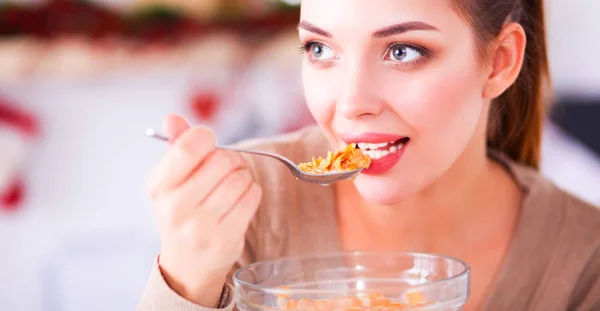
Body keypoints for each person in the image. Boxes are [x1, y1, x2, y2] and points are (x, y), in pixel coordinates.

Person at [137, 0, 600, 310]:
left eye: (402, 51)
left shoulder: (582, 260)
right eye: (320, 48)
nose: (351, 103)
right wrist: (186, 281)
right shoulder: (247, 207)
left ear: (500, 62)